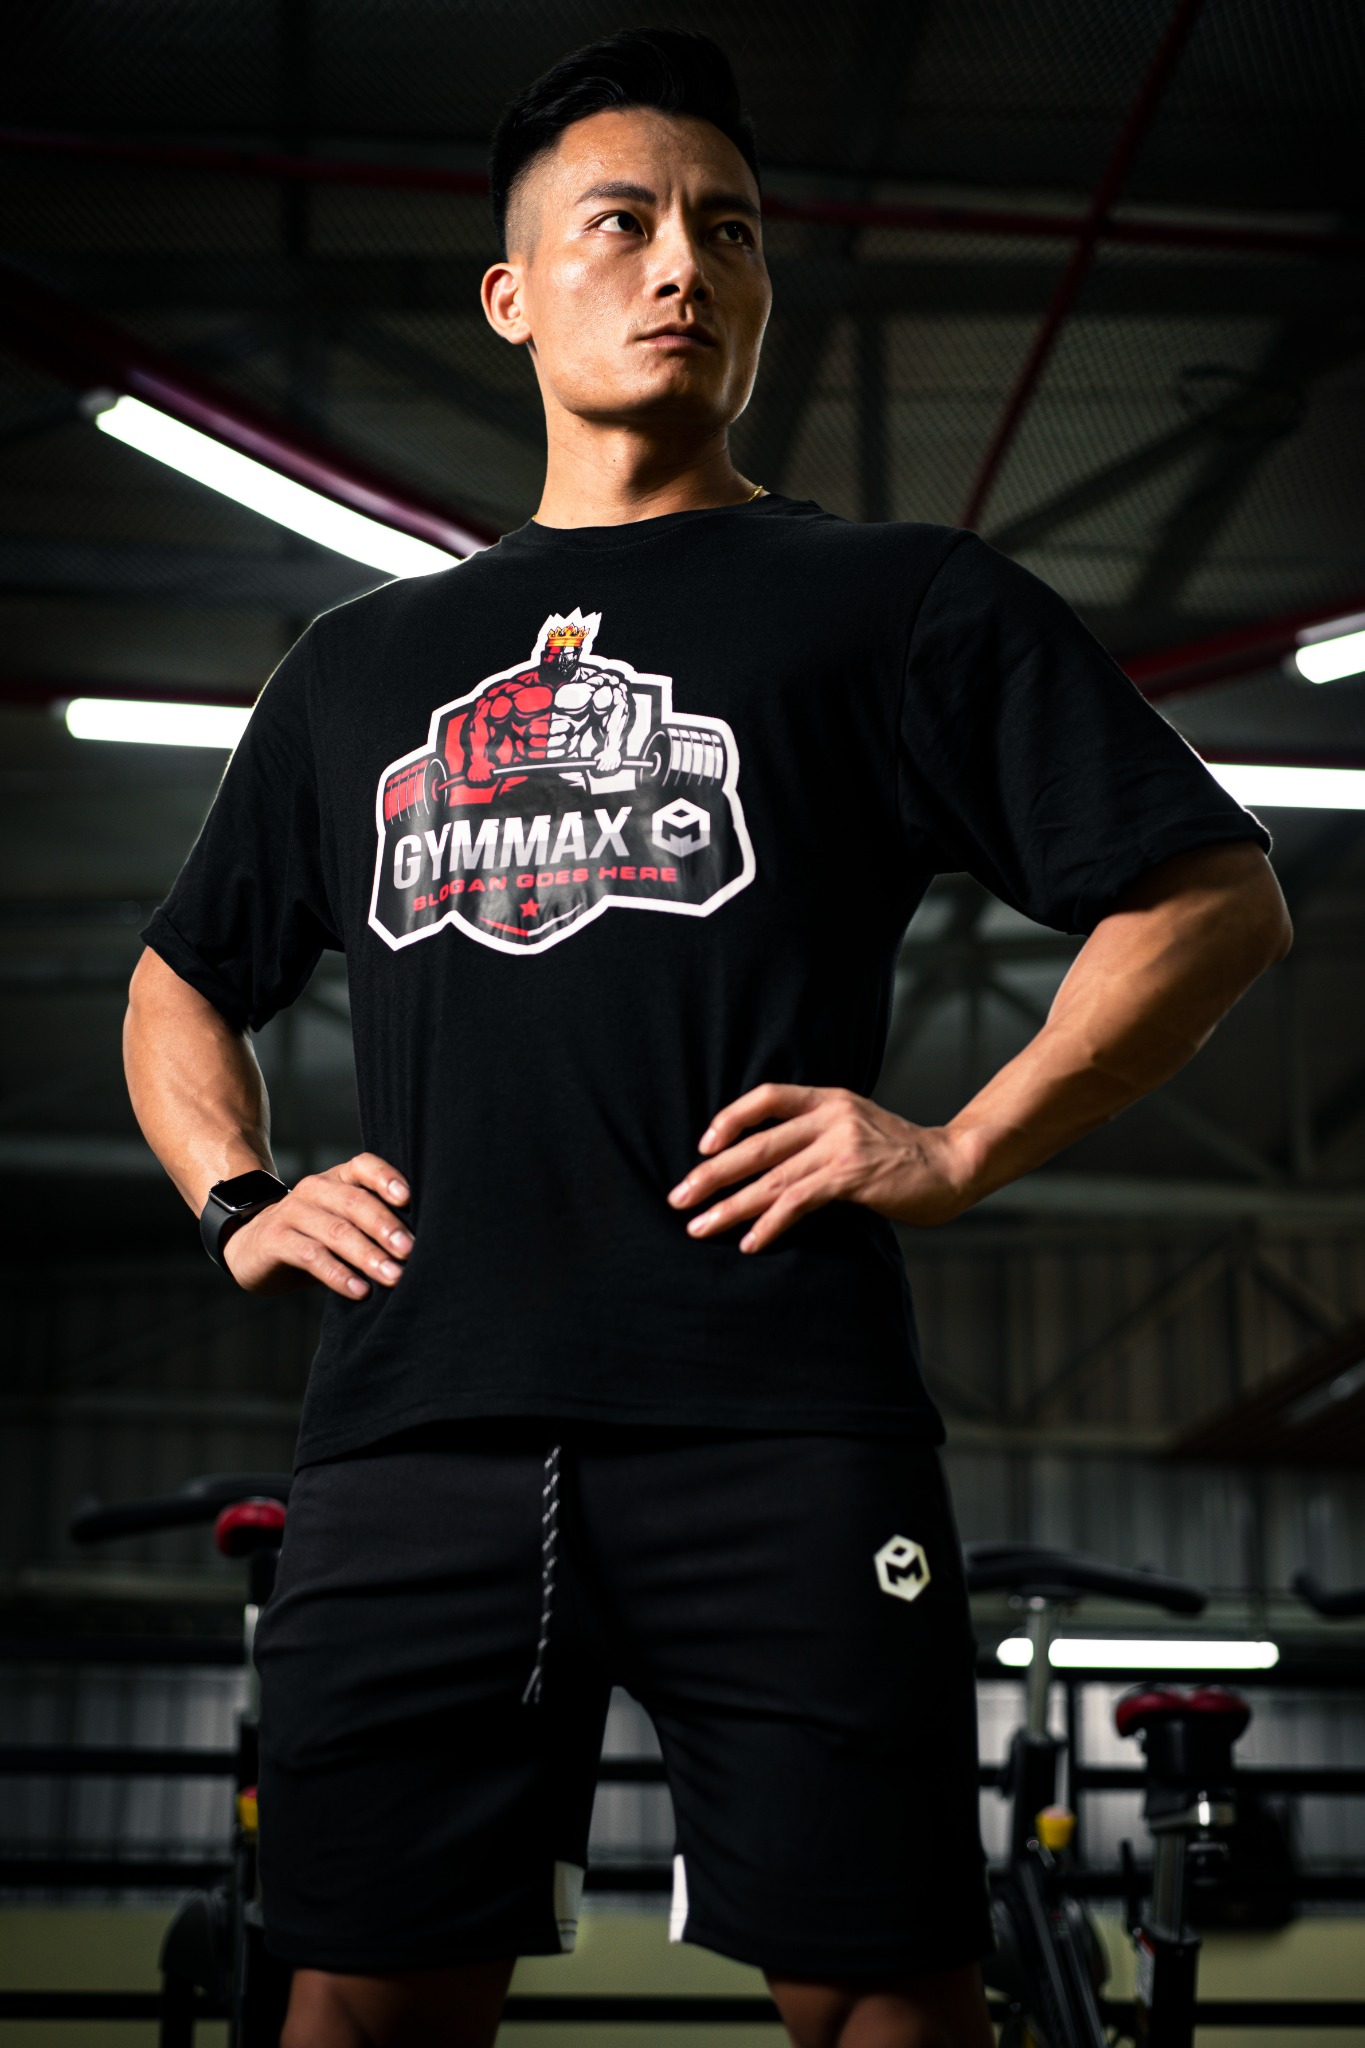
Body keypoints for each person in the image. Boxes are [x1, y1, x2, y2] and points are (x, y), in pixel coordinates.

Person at [123, 26, 1291, 2048]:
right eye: (622, 223)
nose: (682, 265)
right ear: (510, 294)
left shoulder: (892, 603)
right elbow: (178, 977)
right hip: (417, 1425)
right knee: (356, 2008)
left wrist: (958, 1141)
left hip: (778, 1416)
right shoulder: (358, 666)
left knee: (886, 1999)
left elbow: (1206, 895)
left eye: (727, 230)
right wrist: (238, 1194)